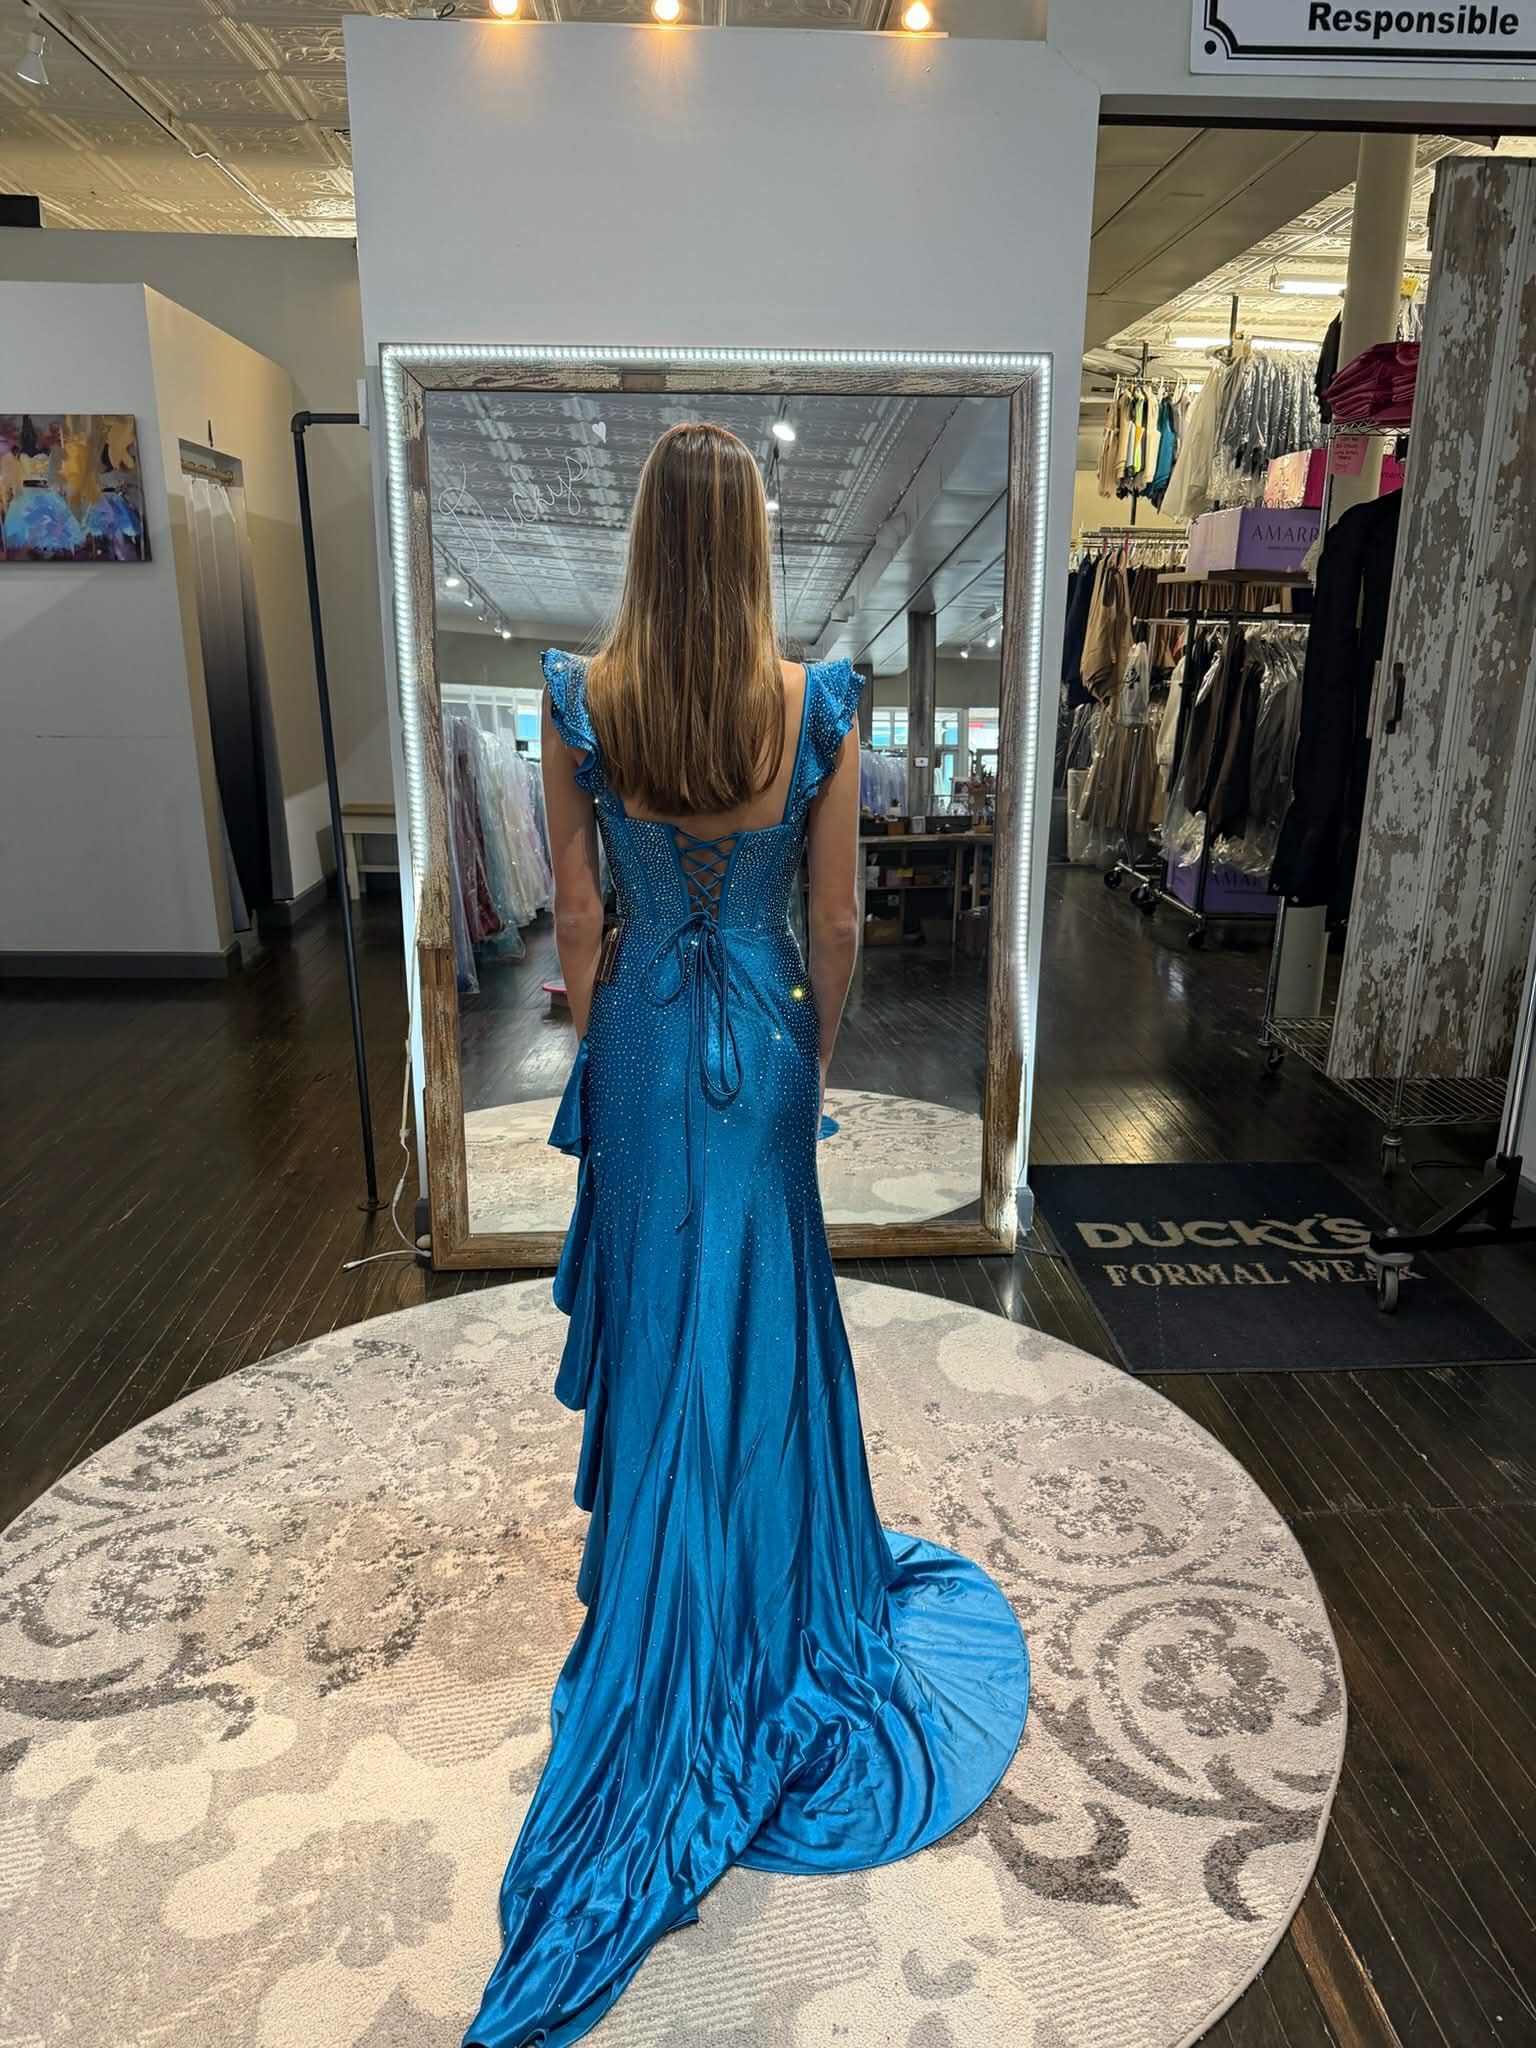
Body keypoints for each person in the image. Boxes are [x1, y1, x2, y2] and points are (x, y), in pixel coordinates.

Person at [463, 422, 1029, 2048]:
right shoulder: (820, 700)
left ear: (645, 544)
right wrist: (811, 1050)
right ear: (759, 546)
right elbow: (837, 919)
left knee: (662, 1320)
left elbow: (577, 921)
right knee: (770, 1324)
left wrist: (609, 1031)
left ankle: (664, 1589)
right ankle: (782, 1597)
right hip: (769, 1047)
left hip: (643, 1041)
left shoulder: (584, 700)